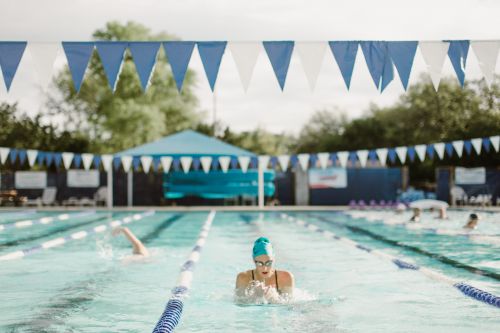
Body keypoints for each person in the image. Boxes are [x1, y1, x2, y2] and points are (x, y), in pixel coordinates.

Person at [235, 237, 294, 303]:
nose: (265, 268)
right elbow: (239, 305)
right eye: (260, 263)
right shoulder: (243, 278)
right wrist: (255, 297)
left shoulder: (286, 277)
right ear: (254, 260)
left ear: (273, 259)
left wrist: (273, 298)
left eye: (268, 263)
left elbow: (289, 306)